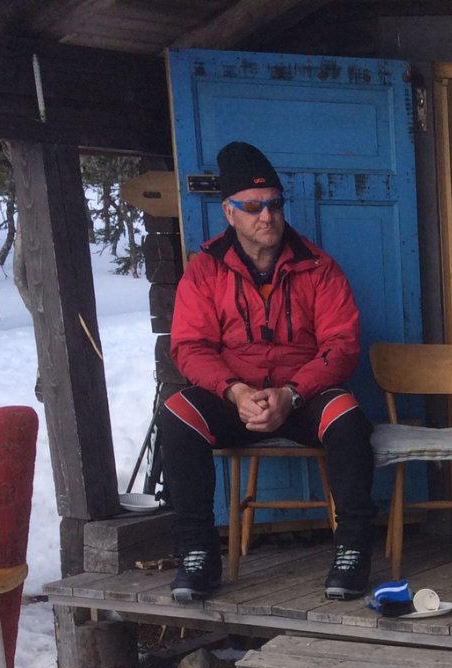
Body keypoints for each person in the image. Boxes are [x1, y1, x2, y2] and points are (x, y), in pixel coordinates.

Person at [159, 140, 378, 602]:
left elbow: (342, 345)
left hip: (299, 398)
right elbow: (190, 347)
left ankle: (353, 550)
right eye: (253, 206)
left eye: (274, 204)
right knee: (178, 413)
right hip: (233, 399)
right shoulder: (204, 272)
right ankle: (198, 552)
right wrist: (235, 391)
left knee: (347, 416)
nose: (266, 215)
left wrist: (292, 394)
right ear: (229, 212)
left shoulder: (319, 268)